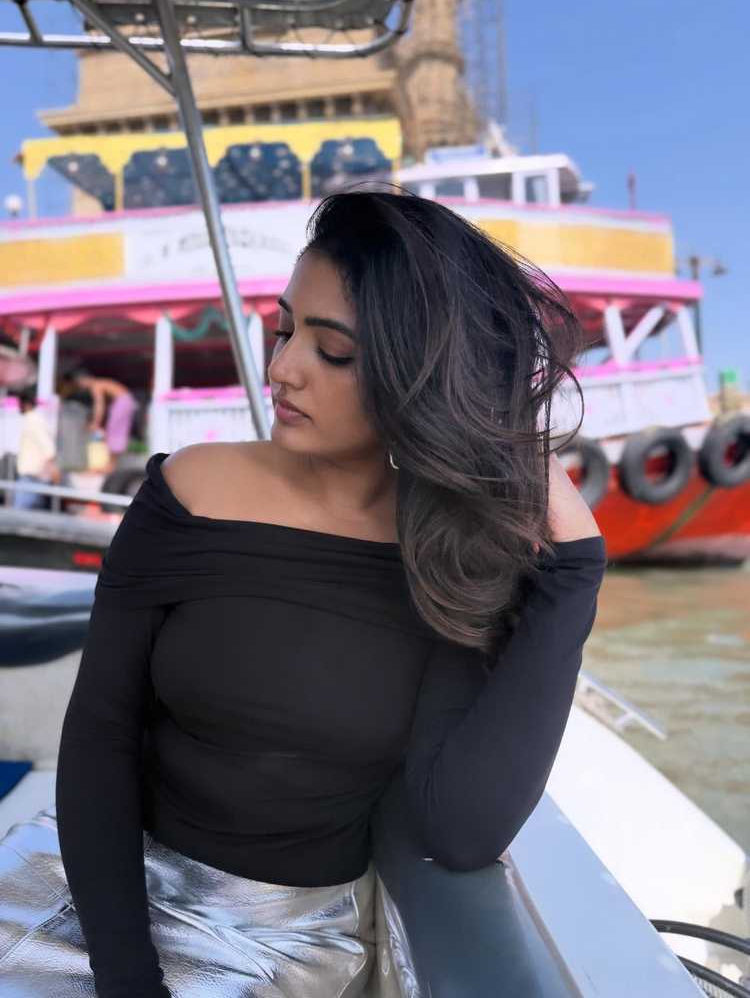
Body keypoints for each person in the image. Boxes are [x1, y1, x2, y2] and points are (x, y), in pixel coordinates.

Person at [0, 188, 607, 997]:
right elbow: (101, 732)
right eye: (285, 330)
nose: (282, 368)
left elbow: (461, 830)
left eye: (334, 351)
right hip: (96, 892)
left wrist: (574, 574)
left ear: (420, 372)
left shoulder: (447, 559)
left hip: (284, 940)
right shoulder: (190, 491)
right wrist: (128, 977)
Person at [59, 368, 138, 474]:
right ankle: (111, 464)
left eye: (80, 383)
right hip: (125, 402)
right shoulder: (102, 383)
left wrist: (95, 423)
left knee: (115, 433)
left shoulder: (96, 385)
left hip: (122, 403)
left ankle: (110, 465)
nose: (81, 386)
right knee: (115, 432)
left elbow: (99, 406)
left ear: (84, 380)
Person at [10, 385, 61, 510]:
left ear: (26, 404)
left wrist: (49, 472)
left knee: (19, 516)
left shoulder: (33, 420)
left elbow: (49, 449)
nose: (18, 407)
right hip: (33, 478)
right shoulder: (33, 419)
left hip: (32, 478)